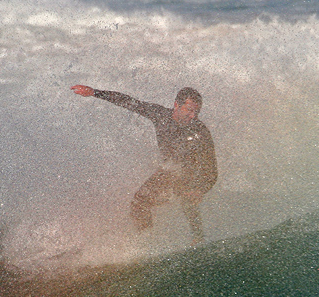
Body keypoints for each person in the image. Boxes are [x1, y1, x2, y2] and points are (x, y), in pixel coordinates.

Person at [71, 84, 217, 244]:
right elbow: (130, 102)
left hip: (191, 172)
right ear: (176, 105)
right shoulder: (160, 115)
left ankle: (198, 238)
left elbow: (211, 168)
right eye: (189, 110)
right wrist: (95, 93)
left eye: (196, 112)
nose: (193, 116)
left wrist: (201, 190)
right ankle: (145, 241)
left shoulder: (200, 131)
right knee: (139, 203)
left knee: (186, 194)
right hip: (170, 170)